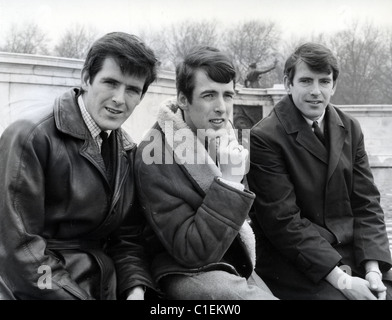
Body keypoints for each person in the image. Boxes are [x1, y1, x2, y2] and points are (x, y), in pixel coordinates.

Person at [0, 32, 158, 300]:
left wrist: (136, 289)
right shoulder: (30, 136)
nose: (120, 98)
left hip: (104, 283)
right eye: (110, 83)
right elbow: (20, 250)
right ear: (86, 78)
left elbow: (127, 239)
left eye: (133, 89)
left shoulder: (127, 149)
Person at [247, 42, 392, 300]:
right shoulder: (265, 136)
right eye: (306, 81)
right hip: (296, 262)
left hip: (351, 254)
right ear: (288, 83)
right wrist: (343, 280)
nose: (316, 91)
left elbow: (367, 203)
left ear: (333, 86)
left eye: (324, 82)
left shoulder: (350, 127)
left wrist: (373, 270)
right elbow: (284, 222)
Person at [134, 45, 277, 300]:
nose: (222, 107)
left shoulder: (226, 137)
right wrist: (231, 184)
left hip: (230, 259)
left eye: (228, 95)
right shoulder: (153, 155)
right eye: (209, 95)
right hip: (184, 271)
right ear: (182, 99)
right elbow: (192, 252)